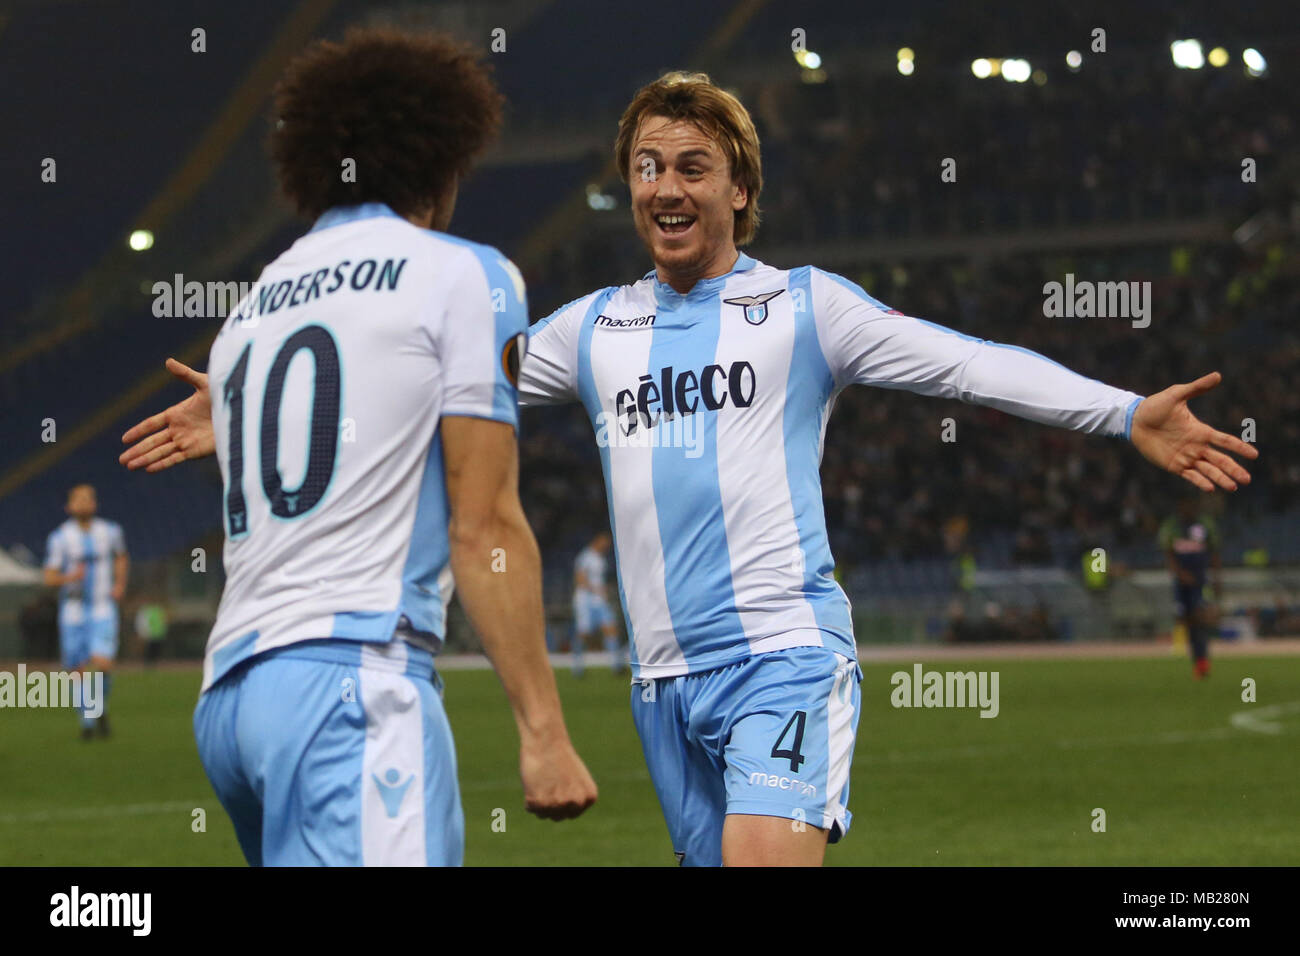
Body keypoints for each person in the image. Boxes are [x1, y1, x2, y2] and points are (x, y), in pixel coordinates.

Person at [122, 71, 1257, 868]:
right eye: (646, 167)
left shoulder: (805, 306)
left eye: (693, 168)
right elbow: (423, 389)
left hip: (781, 657)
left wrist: (1122, 415)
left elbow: (966, 365)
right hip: (659, 683)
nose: (665, 186)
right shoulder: (588, 330)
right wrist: (249, 398)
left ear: (739, 191)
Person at [119, 28, 594, 866]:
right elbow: (482, 526)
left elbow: (335, 433)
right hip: (351, 684)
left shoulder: (257, 305)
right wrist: (544, 733)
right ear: (443, 156)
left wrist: (236, 415)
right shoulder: (461, 274)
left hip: (232, 694)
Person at [43, 484, 127, 739]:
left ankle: (98, 707)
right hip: (73, 610)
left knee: (103, 662)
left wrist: (120, 584)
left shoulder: (111, 531)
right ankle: (88, 722)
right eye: (78, 499)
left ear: (95, 504)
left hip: (102, 607)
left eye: (88, 498)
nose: (83, 503)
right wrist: (70, 577)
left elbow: (121, 556)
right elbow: (49, 577)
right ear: (69, 506)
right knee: (76, 669)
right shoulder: (60, 537)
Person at [1159, 494, 1223, 679]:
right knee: (1184, 619)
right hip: (1181, 583)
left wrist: (1217, 578)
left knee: (1199, 618)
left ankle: (1202, 660)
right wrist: (1180, 574)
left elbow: (1214, 553)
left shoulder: (1205, 525)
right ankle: (1196, 657)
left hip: (1200, 581)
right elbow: (1168, 554)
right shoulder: (1172, 526)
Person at [572, 531, 624, 676]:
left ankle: (616, 666)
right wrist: (596, 589)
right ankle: (577, 666)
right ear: (597, 540)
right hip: (585, 600)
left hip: (600, 600)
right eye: (604, 542)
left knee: (611, 628)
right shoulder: (585, 557)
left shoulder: (601, 559)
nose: (606, 546)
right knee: (584, 633)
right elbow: (580, 579)